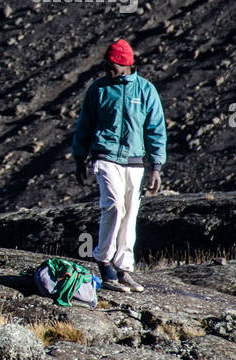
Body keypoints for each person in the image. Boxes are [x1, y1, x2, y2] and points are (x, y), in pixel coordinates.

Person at [71, 38, 167, 293]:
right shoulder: (99, 89)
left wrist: (156, 166)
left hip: (135, 161)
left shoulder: (146, 91)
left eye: (111, 64)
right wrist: (79, 157)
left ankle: (124, 268)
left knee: (130, 211)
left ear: (125, 64)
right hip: (105, 156)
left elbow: (156, 129)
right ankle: (103, 260)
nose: (107, 68)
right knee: (112, 205)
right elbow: (85, 124)